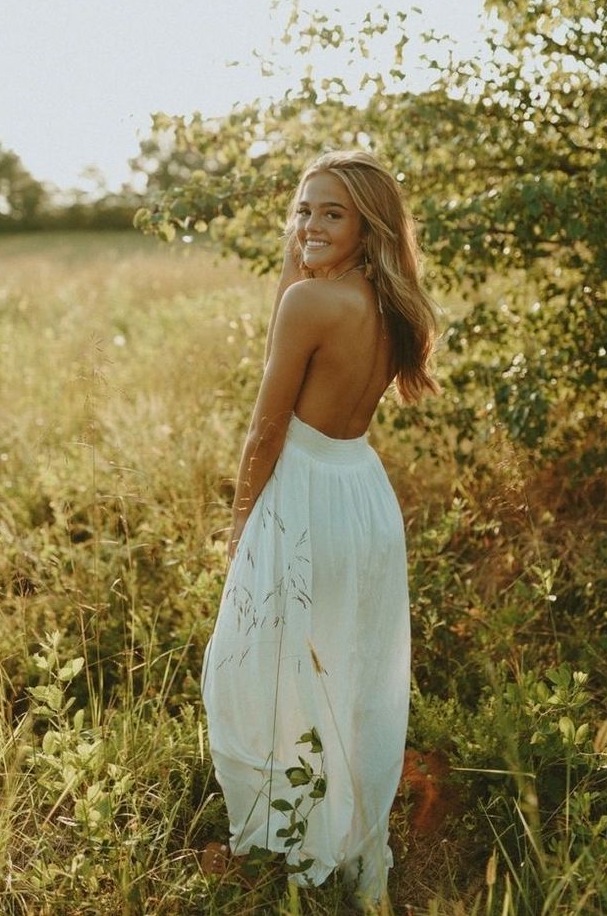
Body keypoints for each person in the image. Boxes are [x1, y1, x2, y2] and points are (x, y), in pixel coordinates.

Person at [201, 149, 438, 905]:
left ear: (366, 225)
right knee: (351, 670)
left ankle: (297, 833)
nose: (309, 223)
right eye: (303, 209)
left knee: (252, 666)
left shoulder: (309, 303)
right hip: (362, 492)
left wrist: (240, 524)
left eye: (330, 212)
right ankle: (347, 838)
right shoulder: (387, 300)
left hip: (304, 491)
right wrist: (296, 263)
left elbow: (265, 430)